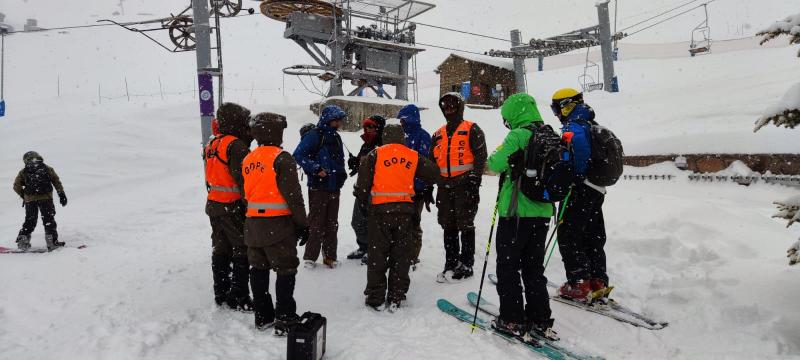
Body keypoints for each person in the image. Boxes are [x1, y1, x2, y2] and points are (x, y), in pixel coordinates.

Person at [487, 93, 558, 340]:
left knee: (507, 267)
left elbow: (494, 163)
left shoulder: (518, 136)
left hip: (516, 213)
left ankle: (512, 319)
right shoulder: (550, 135)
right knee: (533, 268)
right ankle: (540, 319)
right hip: (543, 212)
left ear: (513, 114)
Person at [354, 124, 439, 311]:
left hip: (379, 213)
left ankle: (375, 297)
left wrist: (363, 201)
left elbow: (362, 186)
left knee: (378, 254)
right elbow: (434, 173)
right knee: (401, 255)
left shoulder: (374, 155)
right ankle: (396, 295)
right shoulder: (411, 155)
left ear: (384, 136)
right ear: (403, 136)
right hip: (404, 213)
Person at [243, 112, 310, 335]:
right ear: (276, 132)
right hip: (278, 226)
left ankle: (262, 316)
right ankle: (285, 317)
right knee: (286, 269)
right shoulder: (282, 158)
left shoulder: (249, 158)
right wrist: (303, 224)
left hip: (253, 225)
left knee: (258, 269)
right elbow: (294, 196)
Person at [550, 88, 609, 302]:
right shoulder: (592, 124)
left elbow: (577, 163)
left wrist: (567, 180)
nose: (556, 113)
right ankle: (597, 280)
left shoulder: (574, 128)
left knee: (568, 235)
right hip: (596, 189)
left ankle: (579, 283)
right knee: (592, 234)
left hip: (580, 190)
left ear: (568, 104)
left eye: (557, 107)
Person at [430, 93, 487, 282]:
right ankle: (451, 262)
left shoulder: (472, 129)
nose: (449, 110)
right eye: (445, 107)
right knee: (448, 224)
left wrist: (474, 178)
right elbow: (431, 163)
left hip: (465, 185)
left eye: (453, 106)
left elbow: (481, 155)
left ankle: (467, 264)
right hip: (444, 187)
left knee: (466, 224)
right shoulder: (437, 134)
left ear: (460, 107)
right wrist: (429, 186)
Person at [203, 102, 253, 311]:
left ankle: (220, 291)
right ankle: (239, 295)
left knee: (220, 247)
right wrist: (248, 203)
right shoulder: (235, 145)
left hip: (214, 204)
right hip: (231, 206)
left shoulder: (212, 144)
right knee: (241, 248)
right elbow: (242, 179)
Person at [293, 105, 347, 269]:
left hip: (334, 187)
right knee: (316, 222)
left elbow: (339, 160)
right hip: (318, 187)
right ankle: (310, 258)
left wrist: (341, 175)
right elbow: (298, 154)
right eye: (337, 120)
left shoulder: (336, 137)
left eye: (340, 120)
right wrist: (316, 169)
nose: (339, 123)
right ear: (329, 120)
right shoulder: (314, 135)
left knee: (332, 223)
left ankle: (330, 256)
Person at [346, 115, 386, 262]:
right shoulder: (366, 145)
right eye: (365, 127)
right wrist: (355, 162)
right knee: (357, 221)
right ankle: (364, 247)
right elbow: (362, 163)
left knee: (374, 223)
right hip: (362, 190)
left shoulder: (383, 145)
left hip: (376, 191)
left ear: (379, 128)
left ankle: (374, 251)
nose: (367, 129)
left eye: (371, 127)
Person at [397, 104, 433, 268]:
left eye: (403, 120)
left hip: (416, 190)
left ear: (410, 119)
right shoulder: (402, 136)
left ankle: (412, 257)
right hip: (400, 189)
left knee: (413, 224)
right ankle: (401, 253)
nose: (401, 123)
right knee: (400, 223)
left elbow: (423, 164)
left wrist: (422, 187)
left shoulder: (422, 136)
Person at [14, 151, 67, 251]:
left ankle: (23, 241)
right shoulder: (46, 168)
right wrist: (61, 194)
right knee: (48, 220)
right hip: (46, 198)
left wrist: (24, 196)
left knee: (30, 220)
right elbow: (56, 181)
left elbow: (16, 186)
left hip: (30, 200)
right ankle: (52, 242)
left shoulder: (24, 171)